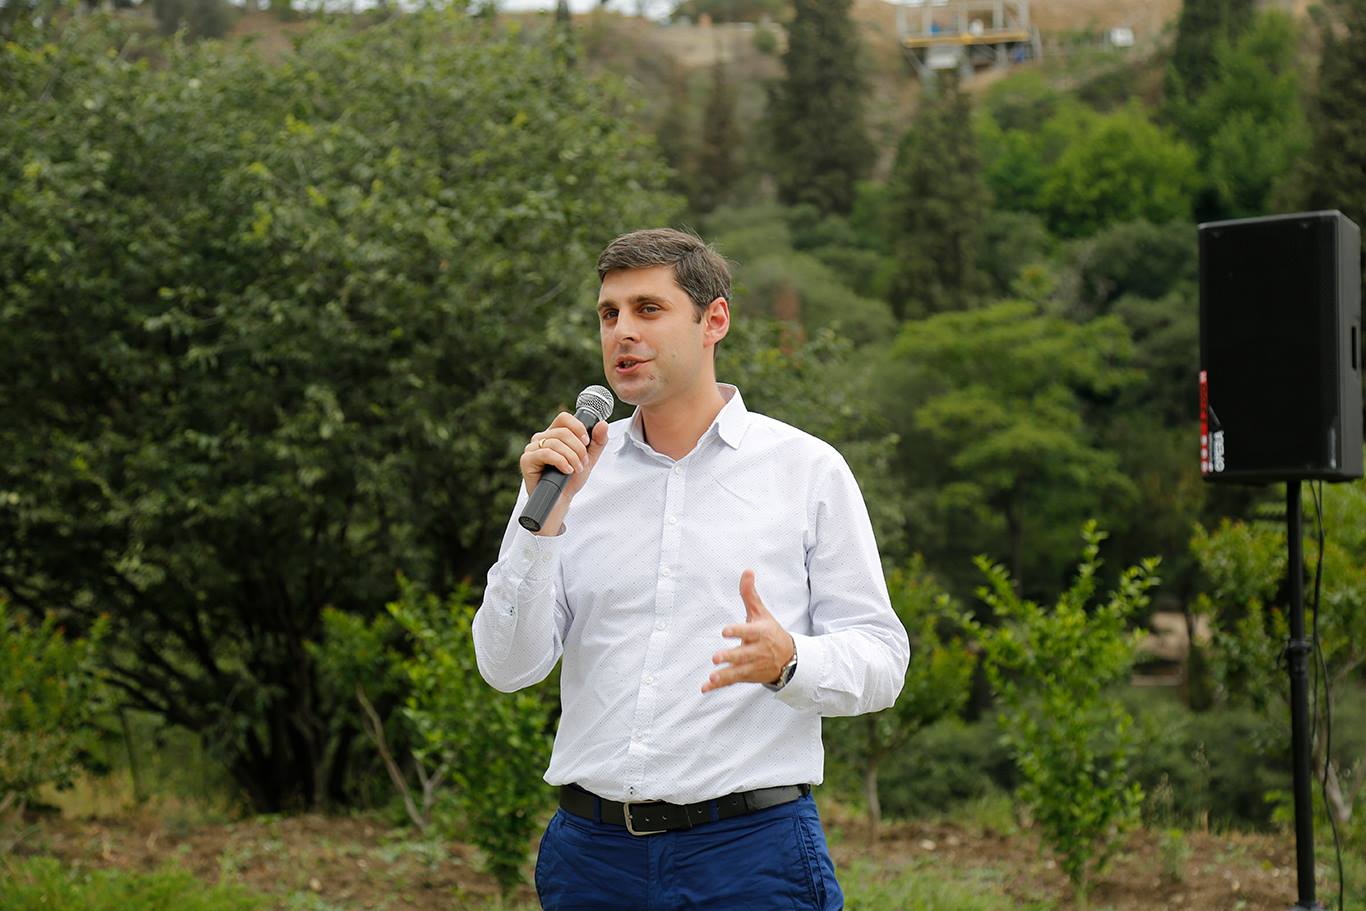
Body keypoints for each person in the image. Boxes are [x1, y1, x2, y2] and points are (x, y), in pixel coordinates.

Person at [473, 228, 909, 911]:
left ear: (715, 320)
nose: (622, 331)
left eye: (648, 309)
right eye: (609, 313)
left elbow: (883, 658)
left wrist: (791, 661)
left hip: (751, 855)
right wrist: (541, 525)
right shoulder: (567, 476)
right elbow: (507, 666)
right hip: (592, 860)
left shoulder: (806, 470)